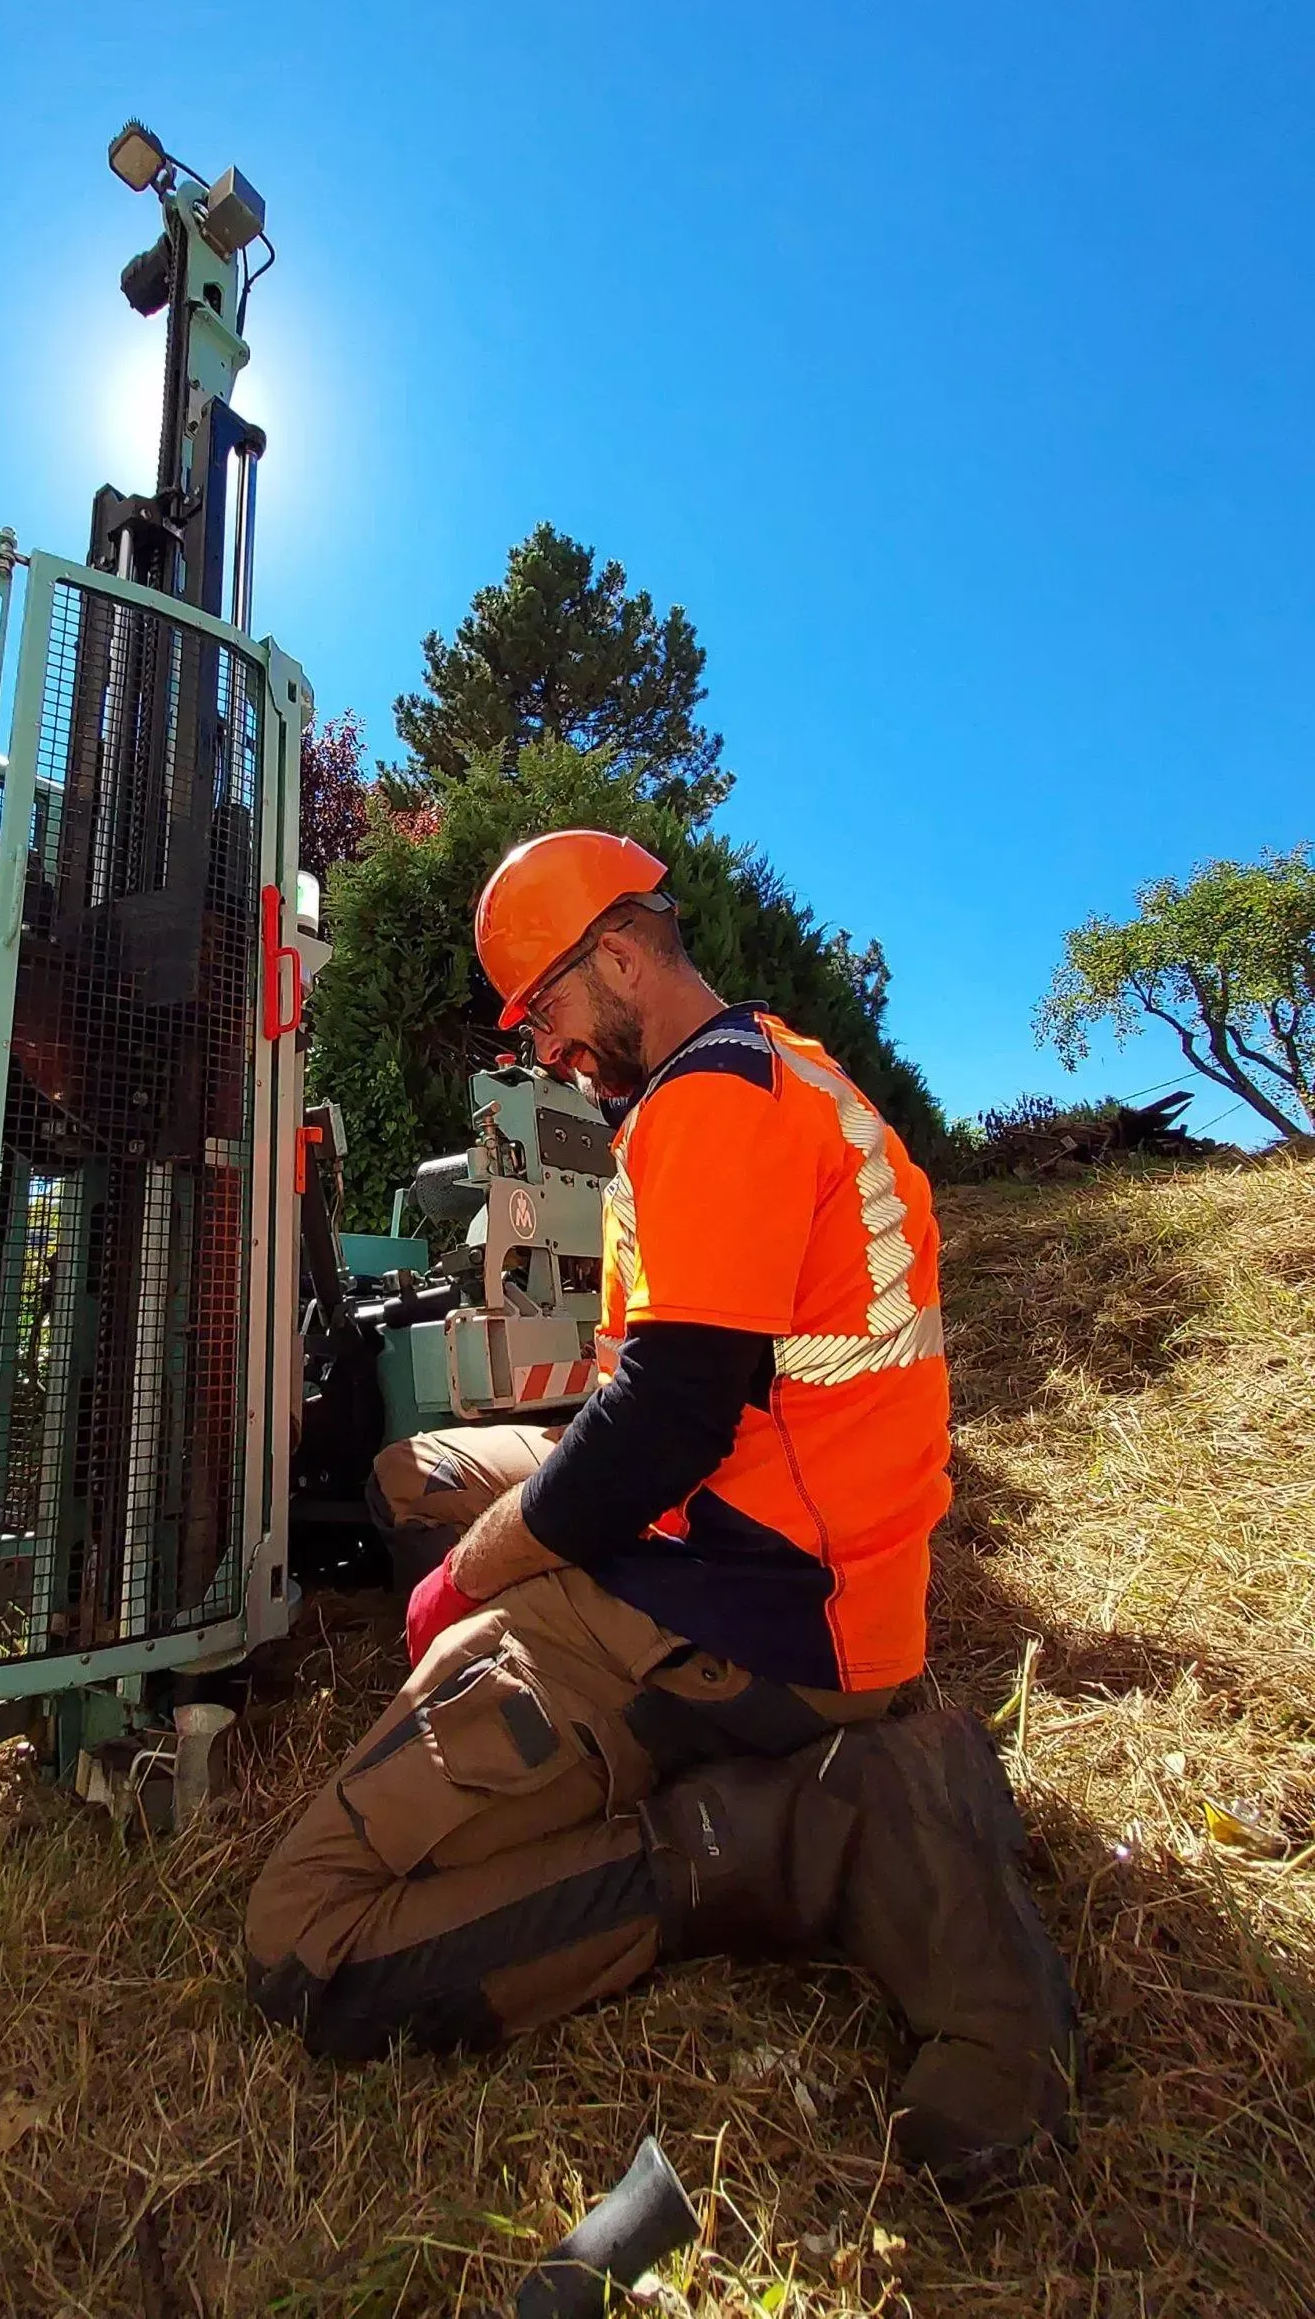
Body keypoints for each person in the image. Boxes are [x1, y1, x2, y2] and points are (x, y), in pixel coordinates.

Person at [246, 830, 1076, 2192]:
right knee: (422, 1476)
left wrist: (477, 1580)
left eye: (553, 1012)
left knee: (304, 1941)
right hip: (780, 1540)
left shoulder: (709, 1107)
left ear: (621, 955)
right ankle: (517, 1737)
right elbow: (677, 1391)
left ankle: (779, 1832)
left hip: (755, 1609)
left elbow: (665, 1423)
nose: (552, 1051)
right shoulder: (772, 1068)